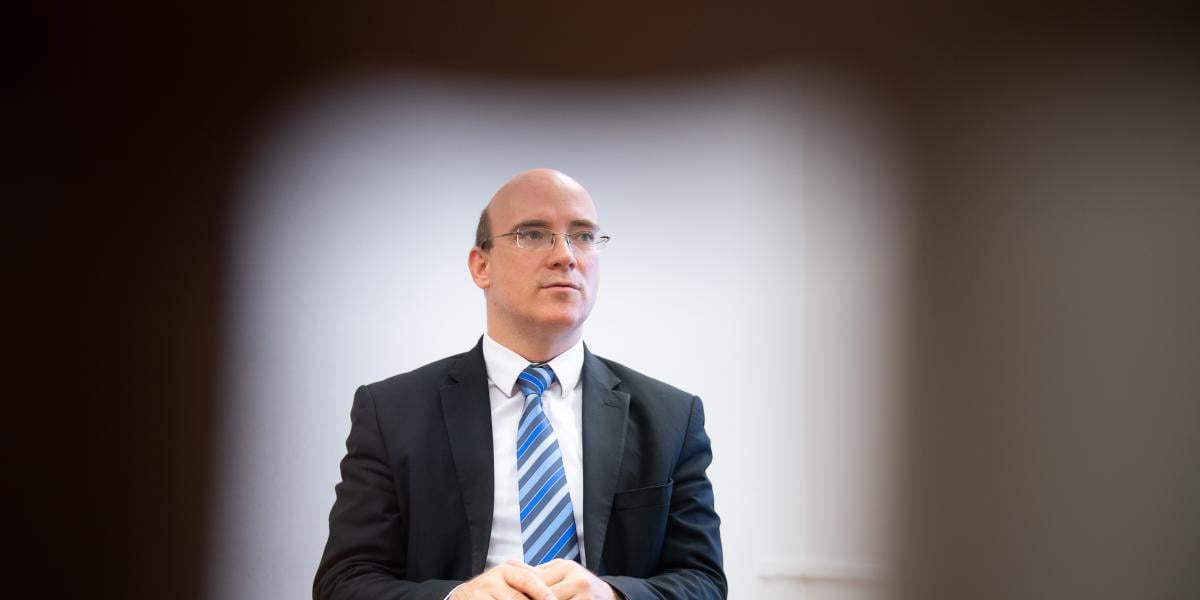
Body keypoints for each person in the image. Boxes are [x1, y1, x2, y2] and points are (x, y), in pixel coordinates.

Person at [314, 168, 725, 600]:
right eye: (533, 234)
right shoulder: (391, 413)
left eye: (583, 236)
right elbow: (343, 582)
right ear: (482, 266)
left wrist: (614, 596)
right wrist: (455, 599)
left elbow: (704, 581)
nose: (565, 255)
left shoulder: (672, 418)